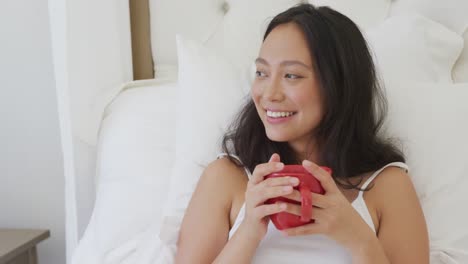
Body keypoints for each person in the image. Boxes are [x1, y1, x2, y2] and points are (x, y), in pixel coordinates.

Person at [175, 3, 429, 264]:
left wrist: (357, 237)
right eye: (261, 72)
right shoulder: (225, 178)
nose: (269, 94)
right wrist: (249, 231)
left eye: (292, 75)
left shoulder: (387, 185)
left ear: (338, 85)